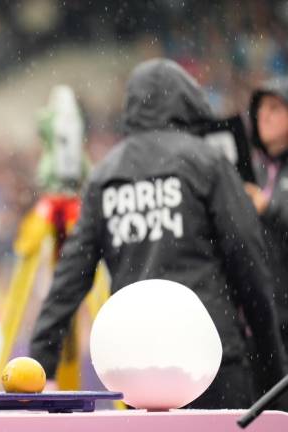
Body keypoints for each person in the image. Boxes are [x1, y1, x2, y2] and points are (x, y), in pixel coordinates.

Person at [28, 58, 287, 409]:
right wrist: (273, 369)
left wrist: (42, 364)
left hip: (136, 370)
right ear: (188, 103)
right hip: (209, 360)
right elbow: (248, 262)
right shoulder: (207, 163)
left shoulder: (105, 176)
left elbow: (69, 279)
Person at [244, 78, 288, 372]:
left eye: (274, 107)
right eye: (260, 109)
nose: (265, 115)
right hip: (256, 317)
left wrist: (268, 208)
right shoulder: (250, 170)